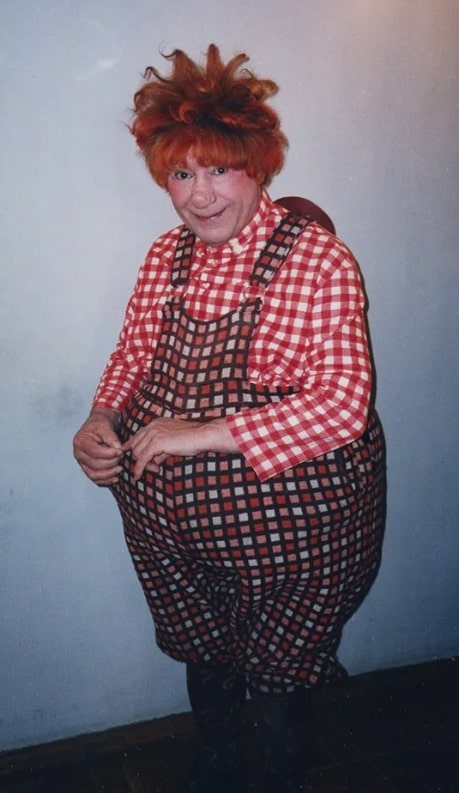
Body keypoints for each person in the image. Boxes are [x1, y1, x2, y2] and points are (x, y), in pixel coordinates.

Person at [73, 44, 386, 793]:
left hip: (292, 538)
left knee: (279, 677)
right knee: (204, 654)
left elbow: (342, 404)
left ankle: (277, 772)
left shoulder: (318, 261)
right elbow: (131, 355)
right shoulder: (164, 256)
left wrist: (202, 433)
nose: (200, 196)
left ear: (258, 165)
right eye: (181, 175)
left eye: (218, 170)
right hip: (168, 530)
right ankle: (214, 762)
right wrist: (99, 418)